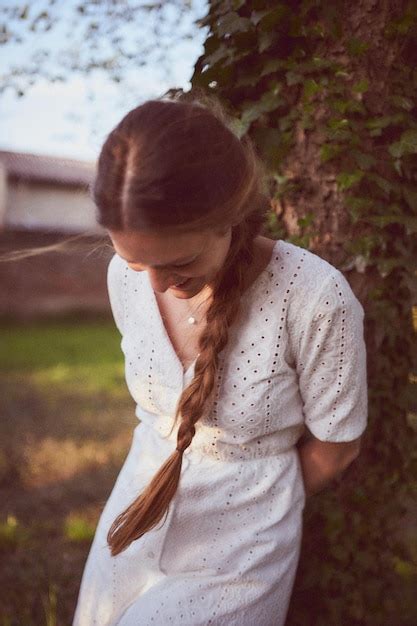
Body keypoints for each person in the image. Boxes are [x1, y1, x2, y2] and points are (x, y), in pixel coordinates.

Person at [72, 94, 368, 626]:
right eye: (135, 259)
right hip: (134, 514)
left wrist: (261, 504)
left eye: (178, 261)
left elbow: (338, 445)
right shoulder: (125, 279)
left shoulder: (315, 297)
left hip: (244, 549)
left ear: (230, 217)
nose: (156, 284)